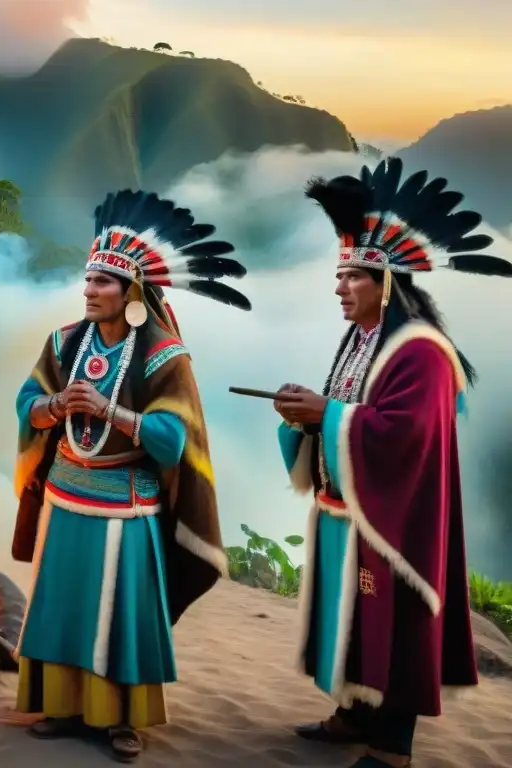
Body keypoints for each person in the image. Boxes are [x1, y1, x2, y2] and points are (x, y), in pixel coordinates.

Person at [273, 158, 512, 767]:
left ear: (385, 280)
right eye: (339, 273)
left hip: (396, 521)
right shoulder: (362, 338)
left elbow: (405, 436)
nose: (339, 287)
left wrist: (325, 414)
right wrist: (306, 418)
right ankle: (354, 714)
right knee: (352, 624)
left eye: (351, 274)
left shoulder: (422, 351)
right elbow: (349, 409)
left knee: (397, 624)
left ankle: (392, 746)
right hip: (347, 513)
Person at [12, 189, 252, 762]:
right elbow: (27, 401)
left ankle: (123, 719)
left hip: (128, 505)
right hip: (67, 499)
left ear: (133, 292)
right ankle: (64, 706)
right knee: (65, 607)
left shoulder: (164, 356)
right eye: (88, 279)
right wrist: (53, 408)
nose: (90, 290)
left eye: (104, 282)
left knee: (121, 614)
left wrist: (108, 410)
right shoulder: (65, 341)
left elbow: (174, 442)